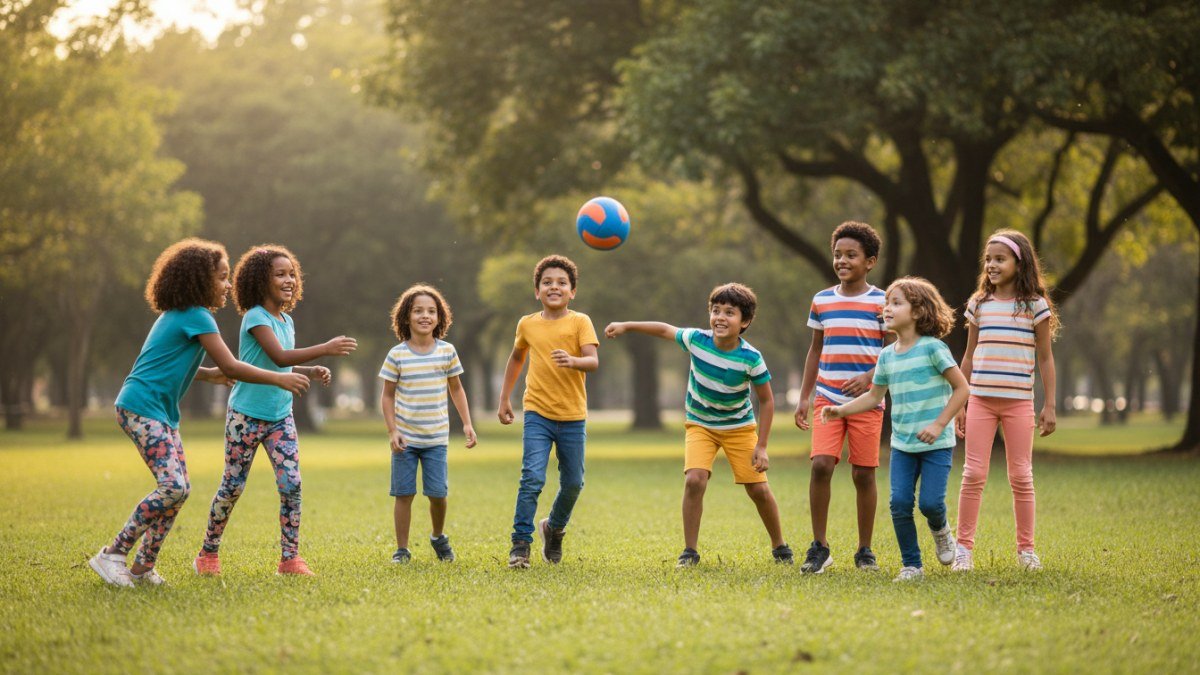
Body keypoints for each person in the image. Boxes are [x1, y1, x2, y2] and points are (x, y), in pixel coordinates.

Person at [88, 239, 310, 588]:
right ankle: (113, 553)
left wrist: (207, 375)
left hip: (158, 411)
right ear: (199, 280)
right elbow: (232, 365)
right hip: (141, 408)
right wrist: (278, 378)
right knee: (173, 487)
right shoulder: (198, 316)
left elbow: (168, 363)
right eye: (222, 278)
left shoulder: (180, 315)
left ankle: (143, 568)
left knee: (179, 490)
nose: (228, 285)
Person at [194, 245, 357, 577]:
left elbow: (282, 362)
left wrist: (311, 371)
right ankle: (207, 554)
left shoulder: (287, 320)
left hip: (280, 418)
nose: (289, 280)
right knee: (233, 486)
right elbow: (279, 357)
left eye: (292, 274)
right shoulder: (256, 317)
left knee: (291, 484)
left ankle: (290, 559)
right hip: (245, 416)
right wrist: (325, 349)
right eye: (280, 274)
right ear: (260, 280)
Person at [606, 283, 792, 567]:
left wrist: (762, 446)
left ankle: (780, 546)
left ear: (744, 322)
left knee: (758, 489)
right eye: (716, 310)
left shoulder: (751, 357)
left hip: (739, 428)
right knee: (694, 480)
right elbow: (664, 329)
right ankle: (689, 552)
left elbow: (766, 401)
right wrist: (627, 326)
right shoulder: (697, 340)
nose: (720, 317)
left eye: (729, 312)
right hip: (700, 425)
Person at [822, 277, 969, 582]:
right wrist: (839, 410)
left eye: (896, 303)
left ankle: (941, 529)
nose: (887, 308)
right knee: (900, 504)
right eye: (886, 303)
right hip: (902, 445)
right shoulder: (886, 356)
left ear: (918, 311)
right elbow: (873, 396)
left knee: (930, 503)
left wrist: (939, 424)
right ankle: (912, 565)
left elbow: (962, 388)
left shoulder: (933, 349)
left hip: (937, 444)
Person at [952, 230, 1058, 572]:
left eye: (1000, 259)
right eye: (988, 259)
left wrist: (1050, 405)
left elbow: (1045, 358)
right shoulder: (979, 304)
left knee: (1021, 476)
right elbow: (969, 356)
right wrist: (960, 403)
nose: (992, 265)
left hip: (1018, 403)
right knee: (973, 474)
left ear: (1019, 263)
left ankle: (1026, 551)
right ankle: (963, 550)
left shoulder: (1035, 306)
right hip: (980, 401)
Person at [794, 221, 888, 573]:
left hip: (868, 401)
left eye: (851, 255)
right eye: (838, 254)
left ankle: (865, 550)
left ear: (870, 261)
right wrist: (804, 397)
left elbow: (894, 351)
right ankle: (819, 547)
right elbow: (815, 351)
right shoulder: (822, 300)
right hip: (827, 399)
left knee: (863, 474)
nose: (842, 260)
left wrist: (870, 377)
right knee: (821, 464)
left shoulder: (883, 302)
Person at [497, 255, 598, 568]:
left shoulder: (580, 322)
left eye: (562, 283)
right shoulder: (527, 324)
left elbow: (592, 361)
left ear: (572, 291)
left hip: (572, 416)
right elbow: (517, 358)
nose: (554, 287)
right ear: (537, 291)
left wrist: (573, 361)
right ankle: (520, 545)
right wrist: (504, 398)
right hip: (537, 413)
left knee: (574, 483)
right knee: (531, 478)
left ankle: (553, 528)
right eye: (547, 282)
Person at [380, 284, 476, 564]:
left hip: (436, 439)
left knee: (438, 494)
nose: (425, 316)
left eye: (431, 311)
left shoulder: (447, 351)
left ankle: (438, 536)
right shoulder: (397, 354)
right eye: (418, 311)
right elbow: (387, 396)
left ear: (439, 317)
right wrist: (393, 431)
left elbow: (456, 389)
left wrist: (467, 424)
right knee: (403, 494)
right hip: (405, 440)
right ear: (406, 317)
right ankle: (402, 549)